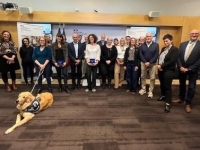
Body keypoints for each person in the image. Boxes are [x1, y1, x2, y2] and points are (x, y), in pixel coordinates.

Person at [173, 29, 200, 113]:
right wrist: (180, 66)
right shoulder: (183, 44)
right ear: (189, 34)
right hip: (181, 68)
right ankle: (181, 98)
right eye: (192, 33)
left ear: (198, 35)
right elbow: (178, 56)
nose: (194, 35)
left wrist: (189, 68)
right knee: (182, 84)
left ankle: (188, 103)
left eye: (196, 33)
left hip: (193, 70)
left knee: (191, 87)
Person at [157, 34, 179, 113]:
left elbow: (172, 61)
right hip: (161, 70)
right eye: (164, 41)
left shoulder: (174, 49)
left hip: (169, 70)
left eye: (167, 41)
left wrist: (161, 66)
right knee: (162, 84)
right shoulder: (163, 49)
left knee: (167, 86)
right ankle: (163, 95)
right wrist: (160, 66)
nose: (165, 42)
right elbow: (160, 58)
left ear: (171, 41)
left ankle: (168, 103)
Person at [139, 33, 159, 98]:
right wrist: (145, 62)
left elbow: (156, 55)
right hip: (143, 63)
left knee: (152, 77)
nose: (148, 37)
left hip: (152, 64)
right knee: (142, 76)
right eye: (147, 36)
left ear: (152, 37)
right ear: (145, 37)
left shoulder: (156, 45)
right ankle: (143, 89)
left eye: (149, 36)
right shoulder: (142, 45)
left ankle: (150, 91)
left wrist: (149, 62)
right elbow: (140, 54)